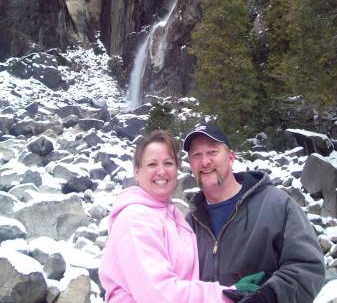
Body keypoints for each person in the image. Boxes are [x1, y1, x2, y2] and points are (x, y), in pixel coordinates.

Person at [99, 129, 259, 303]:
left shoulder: (173, 215)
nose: (161, 171)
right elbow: (158, 294)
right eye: (152, 164)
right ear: (137, 171)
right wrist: (228, 294)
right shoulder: (135, 218)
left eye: (168, 163)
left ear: (177, 169)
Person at [183, 123, 325, 303]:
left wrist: (268, 297)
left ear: (231, 157)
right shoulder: (189, 222)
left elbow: (308, 266)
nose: (205, 161)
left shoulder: (276, 204)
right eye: (197, 155)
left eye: (212, 152)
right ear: (190, 164)